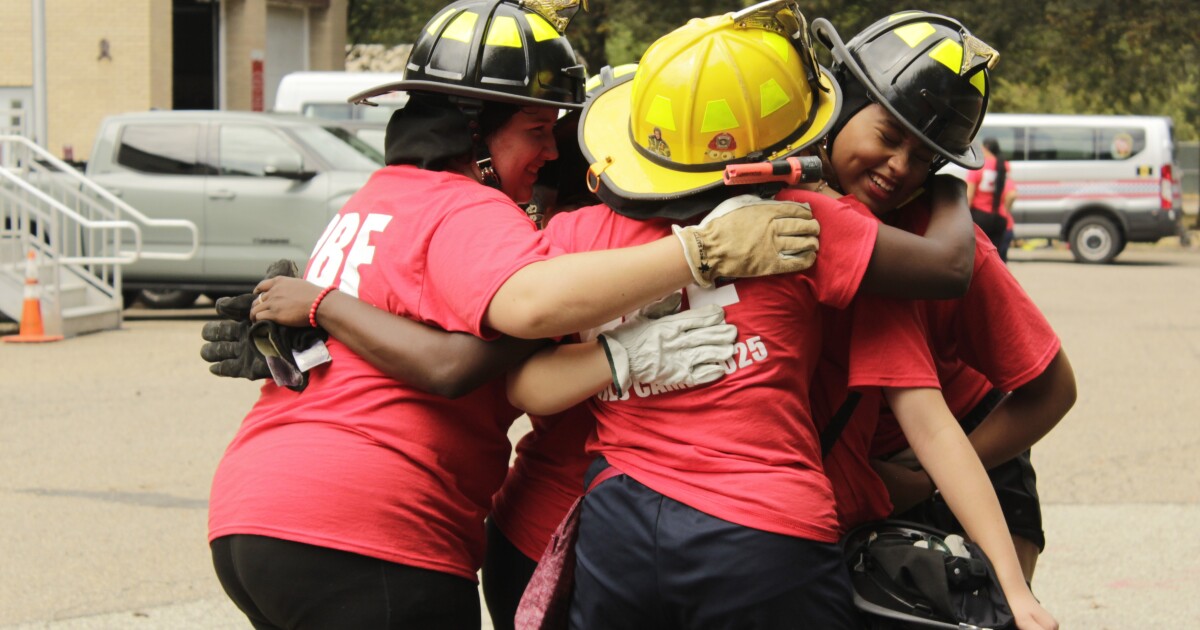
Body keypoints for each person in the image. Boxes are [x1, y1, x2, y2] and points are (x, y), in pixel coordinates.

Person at [204, 0, 822, 627]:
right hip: (371, 526)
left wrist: (316, 310)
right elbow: (505, 326)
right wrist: (700, 252)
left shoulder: (375, 197)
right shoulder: (471, 209)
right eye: (535, 131)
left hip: (254, 512)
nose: (550, 152)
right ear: (473, 133)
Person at [803, 11, 1067, 626]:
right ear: (840, 102)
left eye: (925, 158)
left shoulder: (952, 247)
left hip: (968, 461)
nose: (900, 166)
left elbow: (1053, 390)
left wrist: (926, 481)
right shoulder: (781, 210)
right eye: (888, 135)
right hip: (863, 474)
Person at [967, 137, 1019, 260]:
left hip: (979, 217)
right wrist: (1006, 210)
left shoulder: (978, 165)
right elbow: (1012, 194)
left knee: (977, 259)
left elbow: (969, 195)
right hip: (1000, 219)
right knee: (996, 260)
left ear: (985, 148)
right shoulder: (1004, 165)